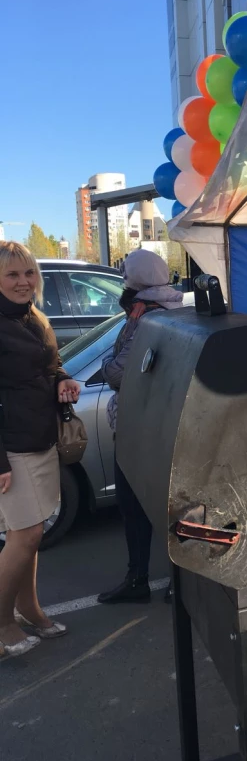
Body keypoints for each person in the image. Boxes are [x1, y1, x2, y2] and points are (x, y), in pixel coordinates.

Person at [0, 242, 81, 658]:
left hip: (41, 435)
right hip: (13, 445)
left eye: (28, 273)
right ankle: (0, 624)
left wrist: (62, 379)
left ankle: (28, 607)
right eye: (12, 274)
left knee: (29, 532)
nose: (23, 281)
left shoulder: (34, 317)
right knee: (27, 533)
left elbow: (49, 365)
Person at [97, 250, 184, 604]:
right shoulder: (178, 310)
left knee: (136, 506)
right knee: (173, 506)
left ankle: (139, 580)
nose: (123, 284)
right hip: (166, 425)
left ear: (135, 281)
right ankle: (180, 581)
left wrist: (106, 362)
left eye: (125, 277)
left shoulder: (146, 316)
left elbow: (119, 372)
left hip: (140, 427)